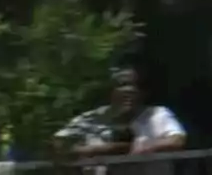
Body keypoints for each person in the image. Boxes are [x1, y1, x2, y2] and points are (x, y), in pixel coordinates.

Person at [53, 67, 186, 175]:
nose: (130, 90)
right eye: (122, 85)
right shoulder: (91, 118)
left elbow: (177, 140)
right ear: (110, 90)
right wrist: (94, 150)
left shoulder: (157, 114)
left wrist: (147, 147)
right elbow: (59, 144)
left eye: (135, 85)